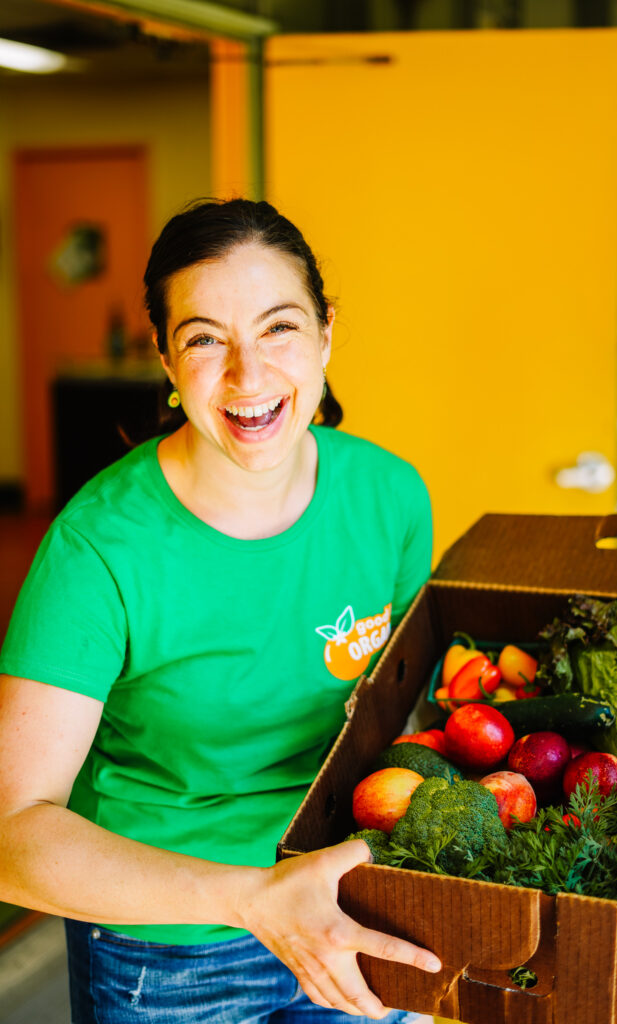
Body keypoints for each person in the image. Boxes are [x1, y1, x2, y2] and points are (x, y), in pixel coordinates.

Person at [0, 198, 439, 1024]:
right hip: (162, 950)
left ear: (325, 333)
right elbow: (12, 840)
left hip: (350, 906)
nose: (248, 376)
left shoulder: (390, 495)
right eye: (205, 339)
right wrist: (255, 898)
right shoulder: (99, 551)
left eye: (278, 327)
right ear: (165, 356)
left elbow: (404, 716)